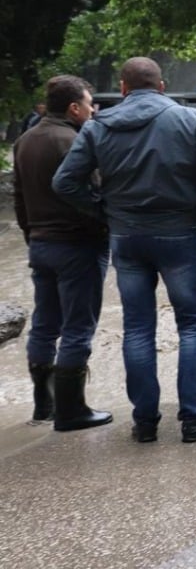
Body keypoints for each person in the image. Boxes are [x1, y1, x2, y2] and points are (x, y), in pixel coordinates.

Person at [53, 57, 196, 444]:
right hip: (179, 233)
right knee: (193, 324)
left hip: (127, 237)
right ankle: (194, 418)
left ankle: (145, 421)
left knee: (137, 329)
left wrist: (104, 210)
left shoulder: (99, 125)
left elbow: (65, 182)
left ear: (122, 88)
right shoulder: (190, 120)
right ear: (162, 86)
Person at [14, 76, 111, 430]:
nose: (93, 110)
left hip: (40, 244)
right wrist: (103, 225)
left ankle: (44, 405)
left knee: (44, 324)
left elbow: (19, 198)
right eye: (89, 104)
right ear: (74, 107)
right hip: (77, 244)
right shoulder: (75, 140)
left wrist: (31, 235)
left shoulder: (25, 140)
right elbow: (94, 189)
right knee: (77, 327)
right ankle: (72, 411)